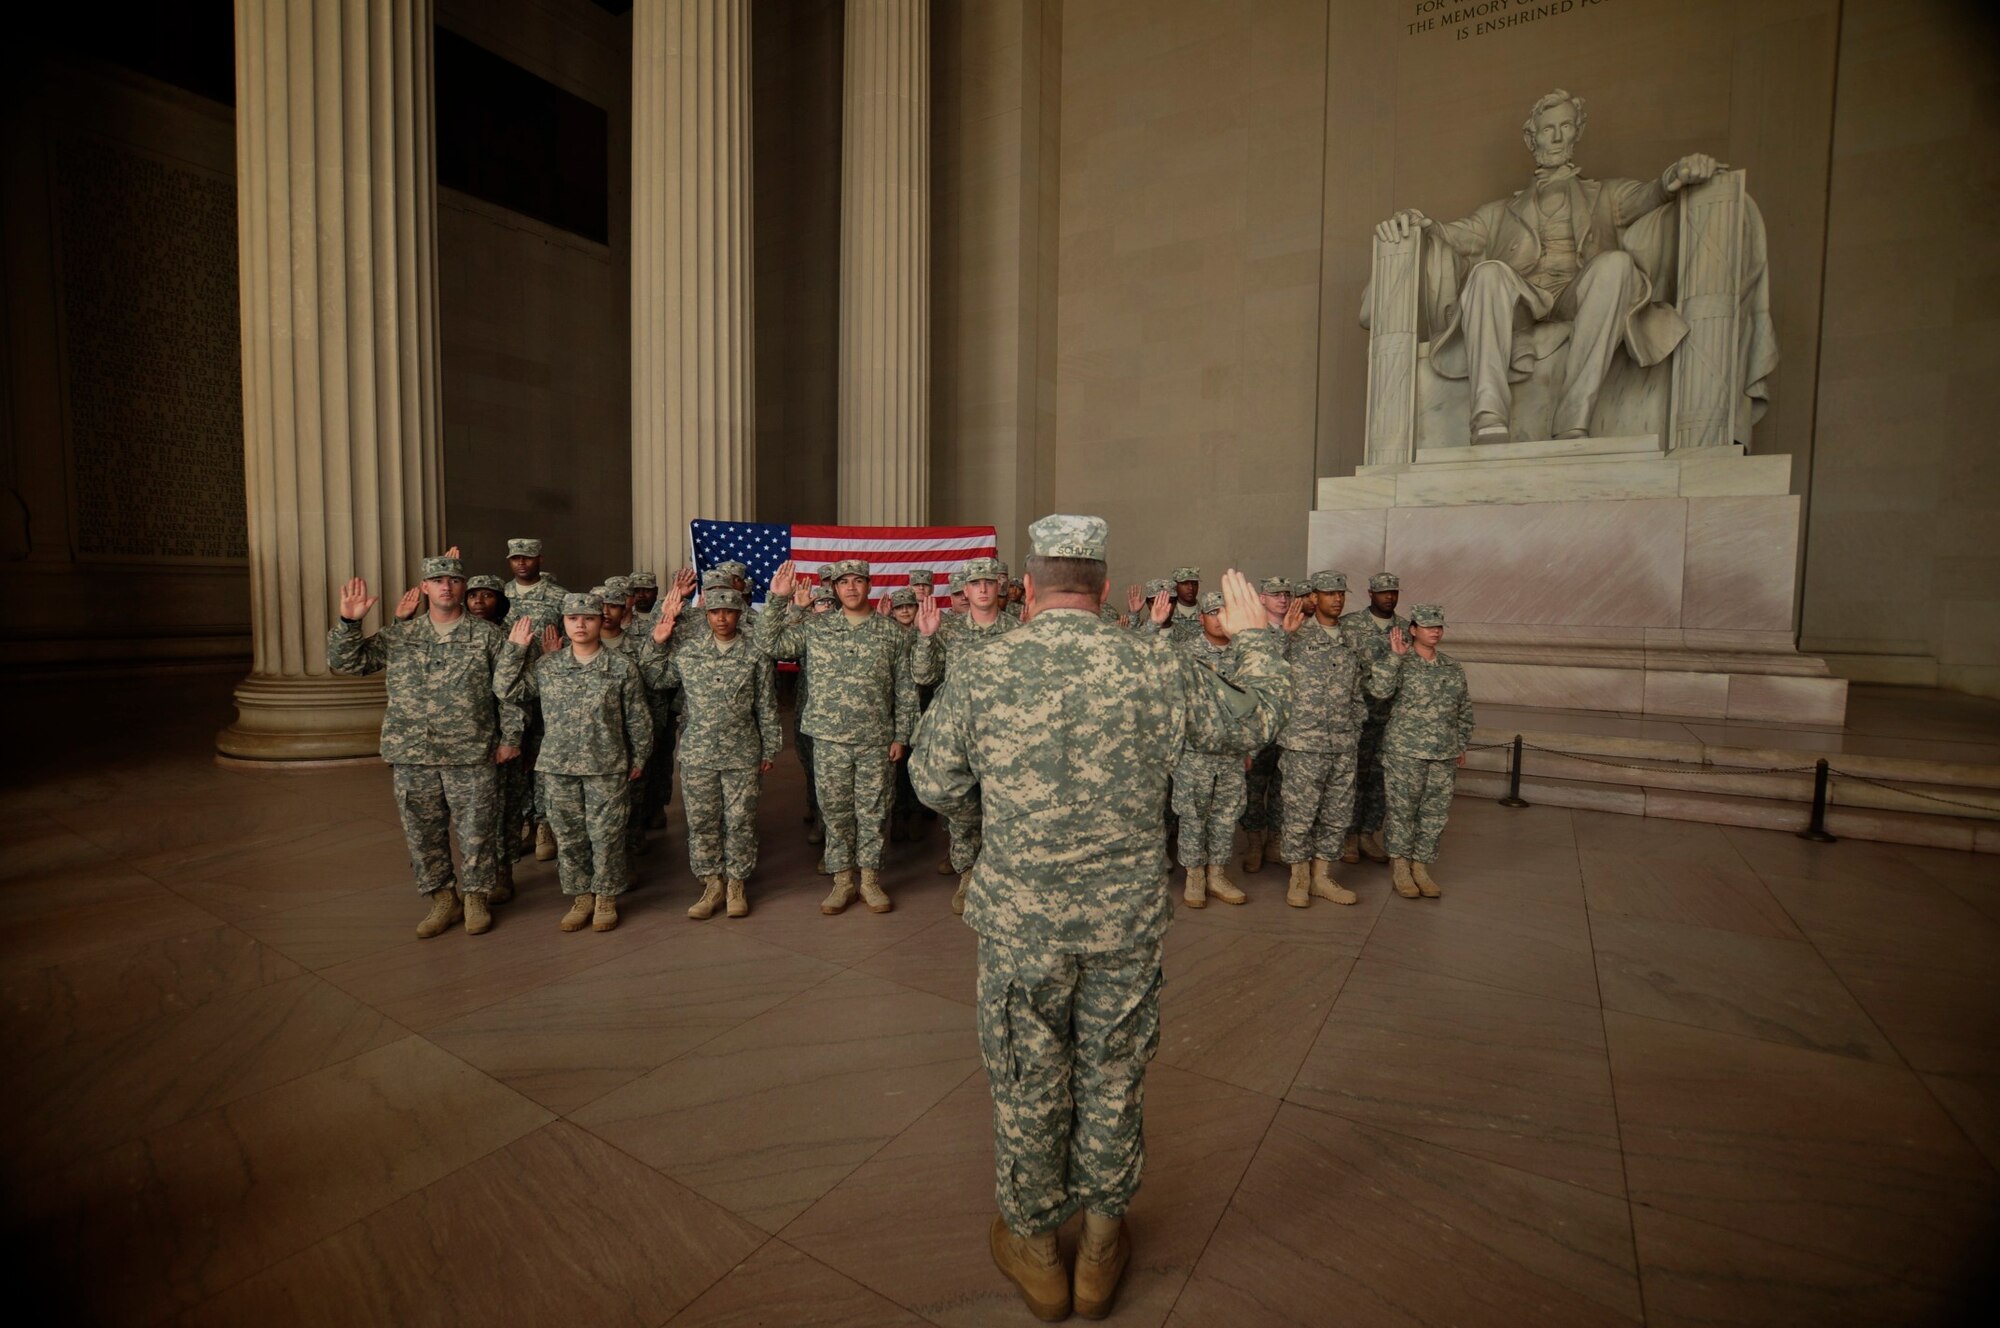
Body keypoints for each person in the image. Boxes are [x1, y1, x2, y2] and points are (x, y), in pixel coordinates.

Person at [911, 516, 1288, 1323]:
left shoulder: (984, 667)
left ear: (1027, 587)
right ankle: (1102, 1248)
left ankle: (1040, 1257)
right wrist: (1255, 637)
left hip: (1022, 924)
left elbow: (933, 783)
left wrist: (1002, 803)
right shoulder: (1155, 662)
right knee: (1114, 1078)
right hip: (1124, 922)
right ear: (1106, 586)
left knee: (1026, 1082)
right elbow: (1258, 720)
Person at [1372, 89, 1723, 442]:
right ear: (1531, 137)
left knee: (1616, 264)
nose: (1556, 137)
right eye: (1547, 129)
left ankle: (1573, 417)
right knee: (1487, 272)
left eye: (1566, 126)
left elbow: (1651, 194)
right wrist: (1422, 224)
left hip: (1579, 294)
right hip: (1524, 303)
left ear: (1577, 131)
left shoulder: (1607, 194)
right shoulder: (1498, 213)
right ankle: (1488, 415)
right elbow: (1455, 235)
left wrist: (1674, 175)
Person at [328, 555, 522, 938]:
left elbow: (509, 692)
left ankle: (476, 897)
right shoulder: (400, 635)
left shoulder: (488, 637)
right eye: (437, 580)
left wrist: (511, 738)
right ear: (425, 588)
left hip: (472, 751)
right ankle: (442, 899)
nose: (446, 586)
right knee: (423, 833)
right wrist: (350, 623)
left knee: (478, 832)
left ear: (462, 587)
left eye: (452, 579)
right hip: (413, 753)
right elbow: (348, 663)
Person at [756, 558, 917, 915]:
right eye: (843, 582)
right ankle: (843, 881)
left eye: (857, 581)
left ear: (869, 585)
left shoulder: (892, 633)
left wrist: (902, 735)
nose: (850, 587)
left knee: (874, 812)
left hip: (876, 738)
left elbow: (905, 689)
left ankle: (871, 880)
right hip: (829, 739)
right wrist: (777, 599)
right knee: (836, 812)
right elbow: (771, 643)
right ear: (835, 588)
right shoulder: (816, 628)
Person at [499, 594, 653, 933]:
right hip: (559, 766)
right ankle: (581, 895)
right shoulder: (547, 666)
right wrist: (515, 650)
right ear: (564, 623)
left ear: (601, 621)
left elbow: (638, 718)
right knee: (569, 837)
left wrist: (639, 756)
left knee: (607, 836)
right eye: (573, 619)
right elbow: (507, 689)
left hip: (606, 765)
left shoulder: (621, 667)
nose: (580, 625)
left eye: (588, 618)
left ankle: (606, 897)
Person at [646, 585, 779, 919]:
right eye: (715, 612)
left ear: (739, 614)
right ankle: (711, 883)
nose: (722, 618)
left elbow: (766, 705)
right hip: (698, 753)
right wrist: (656, 642)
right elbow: (656, 678)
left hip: (742, 751)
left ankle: (736, 883)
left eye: (729, 611)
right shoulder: (689, 651)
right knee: (703, 822)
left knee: (740, 821)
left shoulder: (754, 653)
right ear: (706, 615)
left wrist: (770, 747)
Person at [911, 556, 1018, 912]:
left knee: (1002, 804)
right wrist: (926, 637)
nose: (983, 588)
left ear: (999, 587)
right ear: (965, 591)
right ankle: (968, 873)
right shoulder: (948, 629)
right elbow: (924, 677)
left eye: (989, 582)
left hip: (1005, 736)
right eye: (975, 584)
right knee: (960, 806)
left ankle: (999, 873)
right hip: (959, 735)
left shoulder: (1017, 630)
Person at [1276, 571, 1368, 907]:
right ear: (1314, 597)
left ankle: (1322, 877)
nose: (1337, 599)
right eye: (1329, 593)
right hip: (1303, 743)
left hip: (1342, 745)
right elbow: (1264, 669)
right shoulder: (1296, 635)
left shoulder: (1351, 640)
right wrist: (1283, 636)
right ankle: (1298, 878)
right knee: (1300, 813)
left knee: (1337, 814)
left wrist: (1355, 729)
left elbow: (1358, 693)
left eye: (1341, 593)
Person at [1370, 604, 1475, 899]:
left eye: (1439, 626)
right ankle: (1401, 868)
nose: (1435, 631)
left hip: (1443, 753)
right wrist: (1394, 658)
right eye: (1429, 626)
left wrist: (1460, 743)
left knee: (1434, 814)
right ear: (1413, 629)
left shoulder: (1452, 668)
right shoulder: (1400, 661)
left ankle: (1421, 866)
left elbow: (1464, 711)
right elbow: (1379, 692)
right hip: (1405, 751)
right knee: (1403, 812)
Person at [1171, 590, 1256, 909]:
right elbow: (1174, 705)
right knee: (1193, 815)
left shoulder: (1244, 654)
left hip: (1232, 753)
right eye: (1212, 613)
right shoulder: (1186, 653)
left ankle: (1217, 873)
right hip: (1194, 754)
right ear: (1200, 617)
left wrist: (1250, 748)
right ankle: (1194, 875)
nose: (1219, 620)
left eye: (1224, 613)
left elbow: (1252, 705)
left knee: (1225, 816)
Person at [468, 573, 534, 901]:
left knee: (506, 807)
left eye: (487, 596)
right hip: (467, 739)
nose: (479, 602)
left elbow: (516, 694)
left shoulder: (514, 637)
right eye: (473, 595)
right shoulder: (462, 636)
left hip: (502, 735)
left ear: (501, 601)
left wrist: (513, 737)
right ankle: (477, 873)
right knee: (475, 814)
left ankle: (502, 871)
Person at [1340, 572, 1408, 865]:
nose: (1389, 597)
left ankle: (1368, 833)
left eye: (1393, 592)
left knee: (1380, 779)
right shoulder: (1350, 625)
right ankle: (1349, 837)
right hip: (1358, 716)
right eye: (1383, 593)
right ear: (1370, 593)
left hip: (1391, 718)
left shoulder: (1406, 628)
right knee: (1353, 777)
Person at [1239, 575, 1295, 873]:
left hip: (1290, 724)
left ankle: (1275, 839)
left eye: (1286, 594)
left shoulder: (1301, 631)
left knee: (1283, 787)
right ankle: (1253, 842)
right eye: (1275, 594)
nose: (1282, 599)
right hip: (1260, 724)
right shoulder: (1251, 632)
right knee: (1254, 786)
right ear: (1262, 598)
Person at [502, 537, 567, 628]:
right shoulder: (501, 593)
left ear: (540, 559)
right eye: (515, 558)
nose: (521, 563)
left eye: (528, 558)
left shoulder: (561, 596)